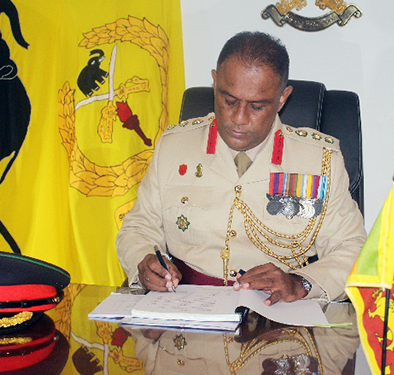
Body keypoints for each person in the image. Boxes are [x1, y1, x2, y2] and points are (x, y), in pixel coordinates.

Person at [116, 31, 366, 304]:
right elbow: (138, 228)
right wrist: (144, 262)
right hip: (186, 309)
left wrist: (301, 283)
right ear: (215, 83)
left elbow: (352, 248)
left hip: (279, 314)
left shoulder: (319, 160)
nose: (238, 118)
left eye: (256, 107)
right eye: (229, 101)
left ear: (282, 99)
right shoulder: (174, 147)